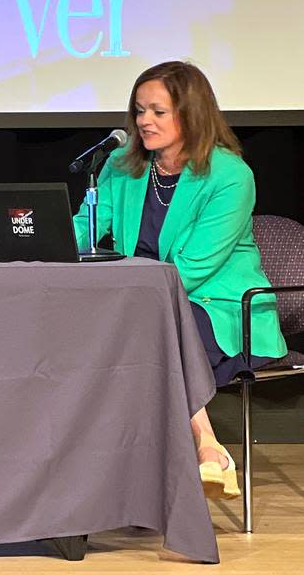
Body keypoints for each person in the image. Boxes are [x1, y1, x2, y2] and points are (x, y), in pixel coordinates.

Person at [73, 60, 287, 499]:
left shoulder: (229, 175)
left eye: (157, 111)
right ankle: (207, 447)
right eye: (138, 111)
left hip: (219, 305)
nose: (143, 122)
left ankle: (148, 473)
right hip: (142, 304)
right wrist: (30, 237)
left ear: (190, 114)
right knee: (130, 332)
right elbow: (87, 229)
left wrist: (131, 298)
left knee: (150, 331)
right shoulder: (121, 165)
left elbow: (193, 268)